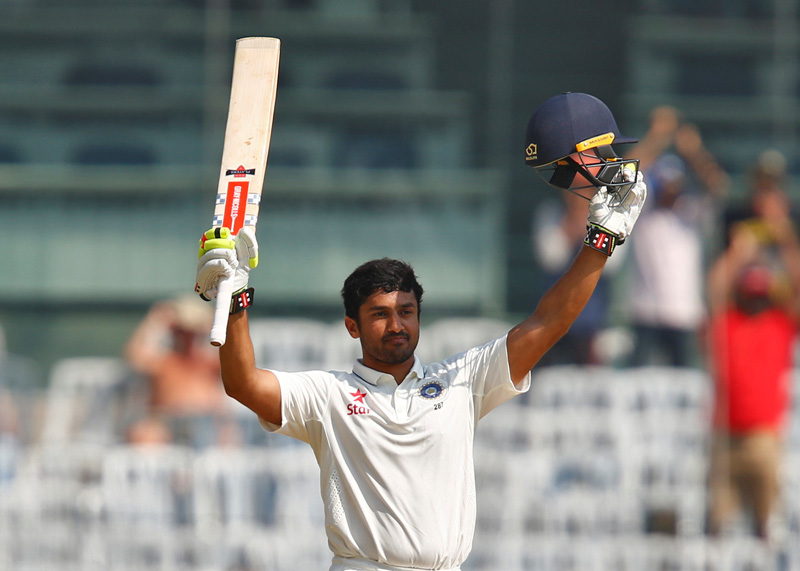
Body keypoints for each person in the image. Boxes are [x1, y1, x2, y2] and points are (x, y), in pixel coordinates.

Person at [194, 92, 647, 571]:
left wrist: (600, 243)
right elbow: (242, 383)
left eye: (407, 311)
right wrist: (235, 297)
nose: (397, 325)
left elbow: (548, 322)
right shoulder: (328, 396)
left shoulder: (462, 382)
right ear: (352, 326)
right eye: (380, 314)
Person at [705, 185, 800, 540]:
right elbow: (715, 288)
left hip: (764, 435)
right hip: (724, 434)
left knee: (767, 524)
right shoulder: (727, 322)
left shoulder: (780, 324)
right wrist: (738, 253)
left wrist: (786, 239)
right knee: (718, 524)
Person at [623, 106, 729, 367]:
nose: (670, 190)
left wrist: (694, 151)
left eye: (675, 184)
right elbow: (624, 173)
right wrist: (657, 138)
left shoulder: (692, 211)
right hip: (645, 311)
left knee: (683, 386)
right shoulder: (643, 209)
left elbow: (719, 185)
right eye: (665, 183)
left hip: (684, 313)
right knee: (638, 385)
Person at [125, 294, 236, 448]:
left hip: (206, 426)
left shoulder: (209, 362)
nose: (187, 336)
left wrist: (215, 323)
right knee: (145, 434)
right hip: (166, 425)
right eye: (182, 330)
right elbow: (135, 357)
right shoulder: (163, 362)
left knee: (228, 435)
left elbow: (238, 364)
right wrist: (157, 320)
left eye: (192, 331)